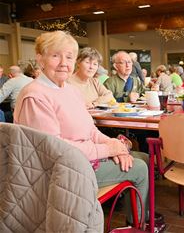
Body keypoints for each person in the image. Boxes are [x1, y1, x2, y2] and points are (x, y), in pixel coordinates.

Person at [13, 31, 165, 232]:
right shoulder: (36, 96)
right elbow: (53, 150)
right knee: (139, 168)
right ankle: (138, 224)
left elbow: (90, 129)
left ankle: (139, 216)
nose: (63, 63)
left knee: (143, 158)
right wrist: (107, 150)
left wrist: (116, 146)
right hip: (62, 170)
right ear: (40, 59)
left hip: (83, 158)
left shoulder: (69, 89)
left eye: (69, 57)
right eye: (55, 55)